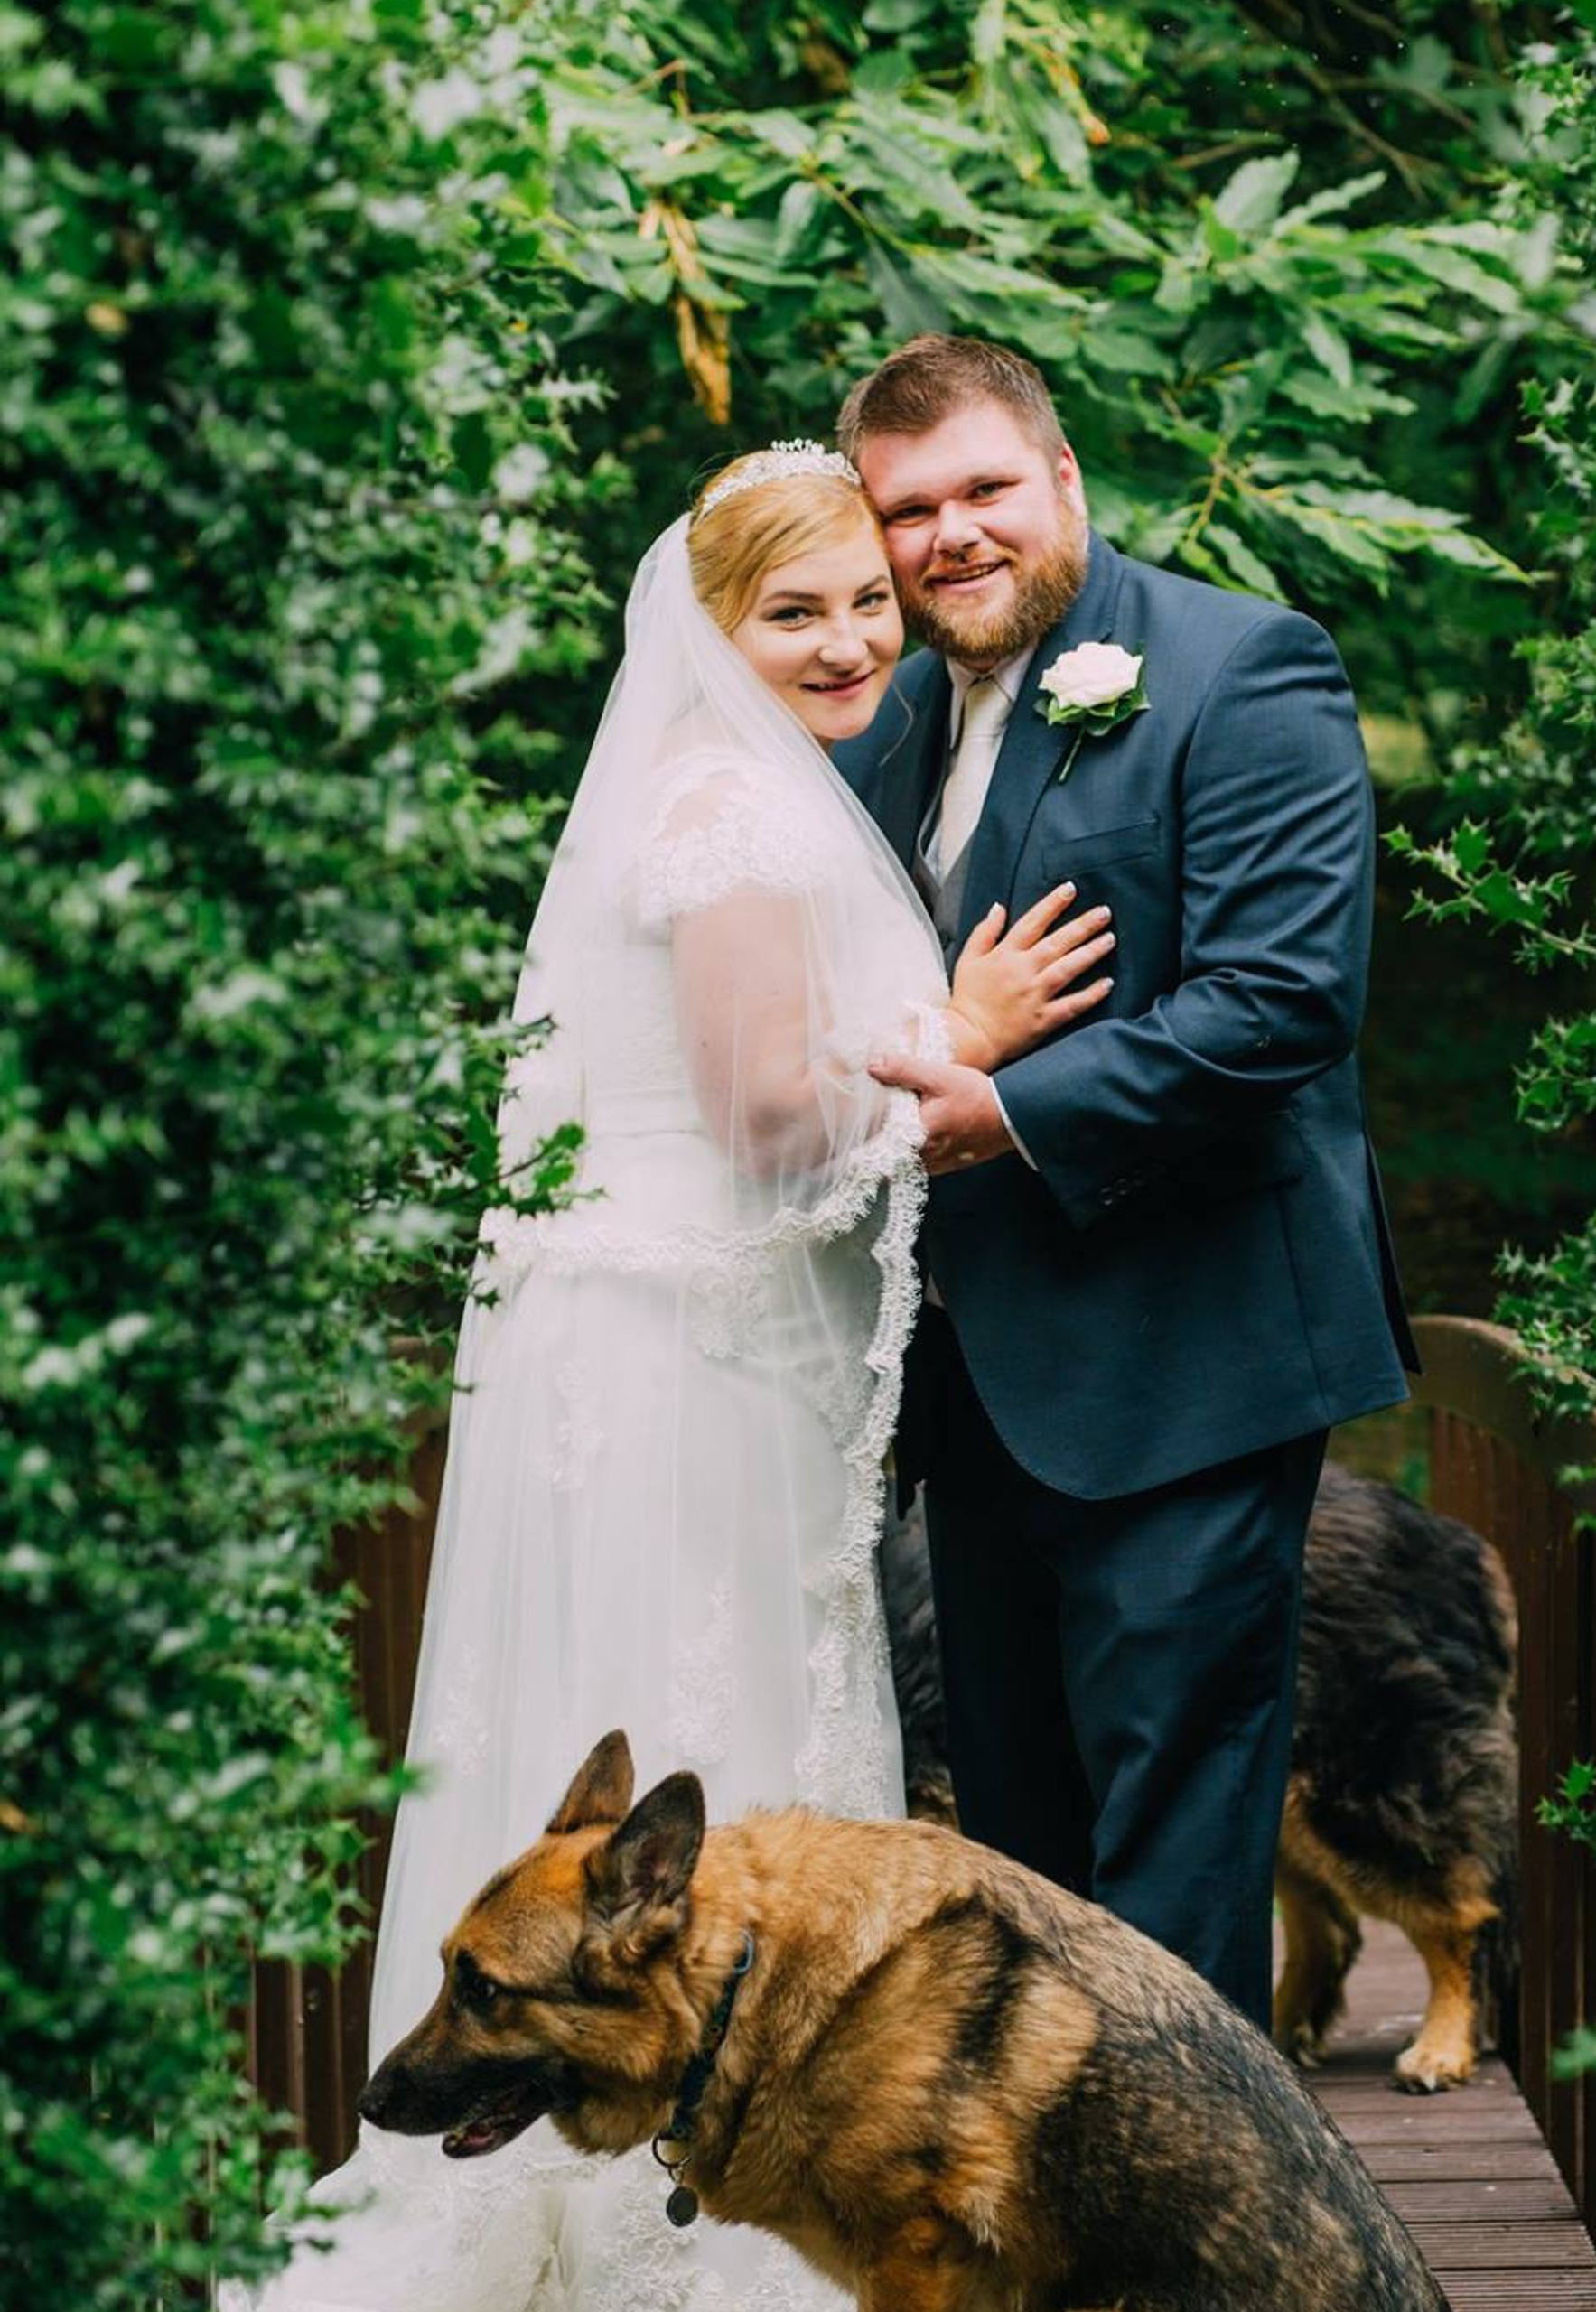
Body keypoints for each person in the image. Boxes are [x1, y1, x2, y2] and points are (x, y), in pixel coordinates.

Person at [230, 445, 1112, 2312]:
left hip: (682, 1337)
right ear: (710, 625)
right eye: (794, 612)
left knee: (655, 1702)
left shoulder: (732, 791)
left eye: (868, 602)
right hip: (695, 1356)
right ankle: (705, 2186)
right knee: (710, 1705)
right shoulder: (731, 816)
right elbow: (763, 1116)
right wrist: (960, 1038)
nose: (849, 638)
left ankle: (686, 2144)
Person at [835, 338, 1417, 2027]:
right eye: (910, 510)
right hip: (978, 1380)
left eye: (985, 492)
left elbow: (1284, 997)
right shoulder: (888, 722)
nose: (950, 536)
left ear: (1066, 479)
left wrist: (1001, 1115)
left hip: (1192, 1358)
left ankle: (1188, 2239)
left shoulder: (1245, 669)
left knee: (1172, 1849)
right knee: (1024, 1848)